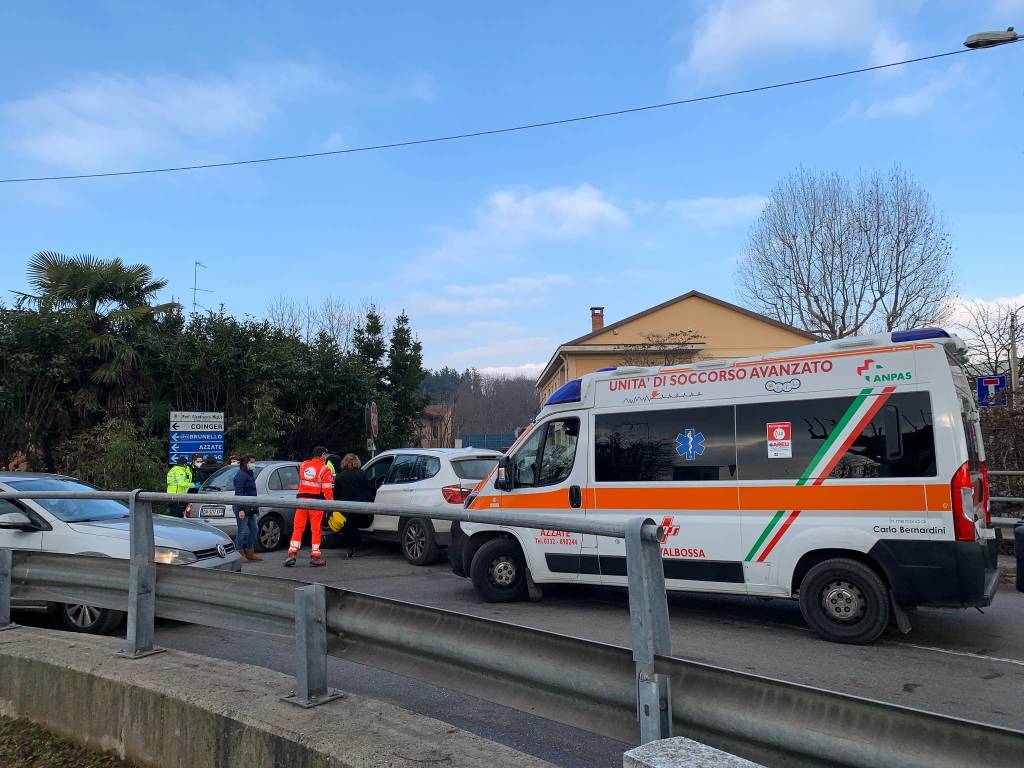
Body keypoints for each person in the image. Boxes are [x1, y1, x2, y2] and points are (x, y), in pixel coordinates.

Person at [285, 445, 334, 568]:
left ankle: (292, 554)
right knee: (316, 529)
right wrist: (331, 505)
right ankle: (315, 557)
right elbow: (327, 490)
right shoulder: (325, 469)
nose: (326, 458)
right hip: (316, 503)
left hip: (301, 501)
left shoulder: (304, 465)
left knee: (298, 528)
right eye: (325, 455)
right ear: (322, 455)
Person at [329, 453, 373, 557]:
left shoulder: (340, 476)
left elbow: (336, 493)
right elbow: (368, 488)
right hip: (362, 507)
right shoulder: (362, 473)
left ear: (344, 462)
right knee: (354, 524)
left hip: (346, 509)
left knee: (349, 526)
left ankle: (351, 548)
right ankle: (356, 542)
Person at [232, 455, 261, 562]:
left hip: (250, 507)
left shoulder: (249, 474)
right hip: (242, 508)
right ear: (245, 463)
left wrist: (256, 509)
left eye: (254, 462)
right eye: (252, 462)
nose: (254, 464)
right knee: (241, 531)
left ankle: (250, 553)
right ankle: (238, 554)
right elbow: (239, 494)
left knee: (255, 529)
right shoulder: (240, 476)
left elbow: (253, 493)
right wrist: (241, 509)